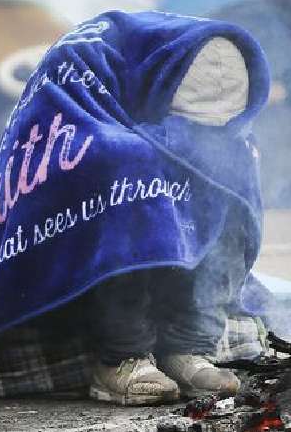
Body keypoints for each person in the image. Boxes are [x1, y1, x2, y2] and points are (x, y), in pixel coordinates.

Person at [86, 37, 254, 405]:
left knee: (231, 179)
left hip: (178, 294)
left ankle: (186, 348)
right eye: (193, 132)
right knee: (131, 190)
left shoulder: (232, 134)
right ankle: (120, 359)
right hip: (106, 284)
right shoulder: (114, 127)